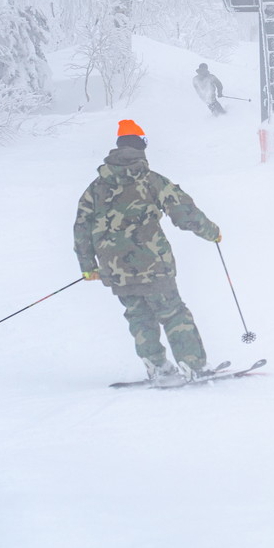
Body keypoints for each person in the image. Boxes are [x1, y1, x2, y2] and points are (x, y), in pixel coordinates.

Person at [73, 120, 221, 381]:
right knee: (173, 312)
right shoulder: (151, 180)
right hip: (154, 264)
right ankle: (194, 365)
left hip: (115, 268)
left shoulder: (96, 188)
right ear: (141, 146)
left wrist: (88, 267)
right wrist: (211, 232)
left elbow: (81, 227)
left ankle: (157, 366)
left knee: (138, 314)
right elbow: (183, 212)